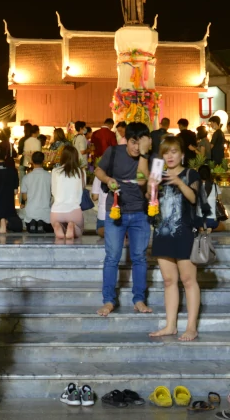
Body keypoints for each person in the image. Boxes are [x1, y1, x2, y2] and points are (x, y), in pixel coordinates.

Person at [148, 136, 203, 341]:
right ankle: (170, 325)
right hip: (162, 232)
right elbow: (151, 201)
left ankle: (191, 327)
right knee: (169, 281)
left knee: (189, 280)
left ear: (182, 154)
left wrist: (179, 181)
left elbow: (194, 198)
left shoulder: (190, 173)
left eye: (173, 152)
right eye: (165, 152)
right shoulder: (158, 174)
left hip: (184, 232)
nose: (169, 156)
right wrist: (151, 186)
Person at [95, 122, 152, 317]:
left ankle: (139, 299)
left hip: (140, 214)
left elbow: (143, 180)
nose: (137, 147)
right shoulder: (113, 152)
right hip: (116, 212)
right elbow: (98, 171)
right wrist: (107, 180)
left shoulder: (148, 157)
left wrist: (144, 154)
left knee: (139, 257)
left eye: (141, 143)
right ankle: (109, 300)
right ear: (126, 140)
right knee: (112, 257)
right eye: (134, 142)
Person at [51, 145, 86, 239]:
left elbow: (53, 191)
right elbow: (82, 189)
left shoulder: (55, 171)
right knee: (79, 232)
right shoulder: (81, 172)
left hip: (56, 211)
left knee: (57, 225)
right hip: (74, 210)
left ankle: (59, 226)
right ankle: (73, 226)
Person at [22, 151, 53, 233]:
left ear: (32, 161)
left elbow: (24, 198)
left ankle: (33, 222)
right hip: (46, 214)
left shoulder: (26, 177)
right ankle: (41, 223)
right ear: (43, 161)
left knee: (30, 224)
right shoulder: (50, 176)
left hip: (30, 214)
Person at [197, 164, 225, 232]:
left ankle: (202, 227)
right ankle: (209, 227)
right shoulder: (215, 186)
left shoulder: (196, 186)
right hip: (213, 221)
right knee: (211, 223)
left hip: (199, 219)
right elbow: (220, 199)